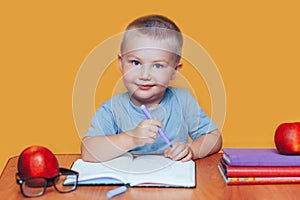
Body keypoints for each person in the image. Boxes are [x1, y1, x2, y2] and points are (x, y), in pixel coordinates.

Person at [81, 14, 222, 162]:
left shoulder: (183, 100)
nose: (145, 75)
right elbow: (88, 151)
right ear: (121, 63)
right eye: (135, 62)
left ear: (175, 70)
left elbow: (214, 138)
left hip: (172, 181)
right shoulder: (112, 109)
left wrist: (191, 150)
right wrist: (132, 138)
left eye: (157, 65)